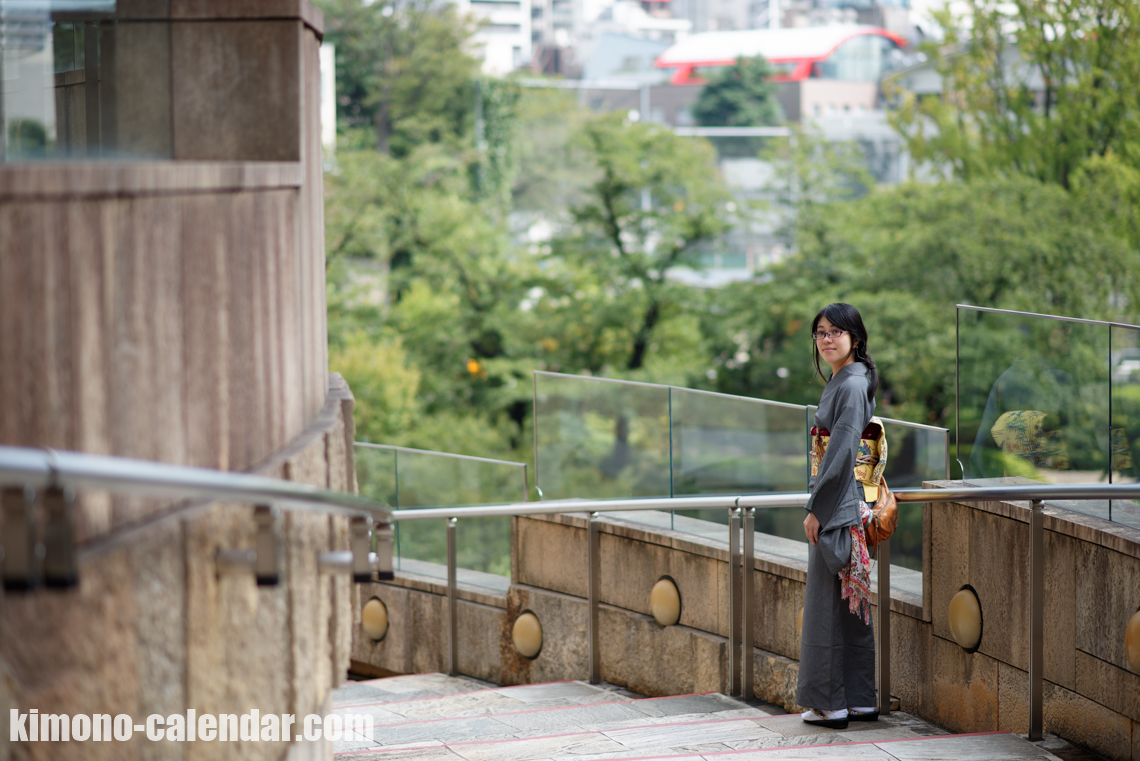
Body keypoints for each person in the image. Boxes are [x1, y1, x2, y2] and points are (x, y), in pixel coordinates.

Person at [796, 303, 879, 729]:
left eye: (836, 332)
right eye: (820, 333)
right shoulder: (852, 379)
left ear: (855, 338)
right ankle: (861, 699)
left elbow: (843, 449)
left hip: (838, 505)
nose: (827, 339)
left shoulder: (849, 385)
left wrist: (817, 510)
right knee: (852, 605)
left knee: (828, 606)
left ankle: (831, 704)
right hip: (850, 502)